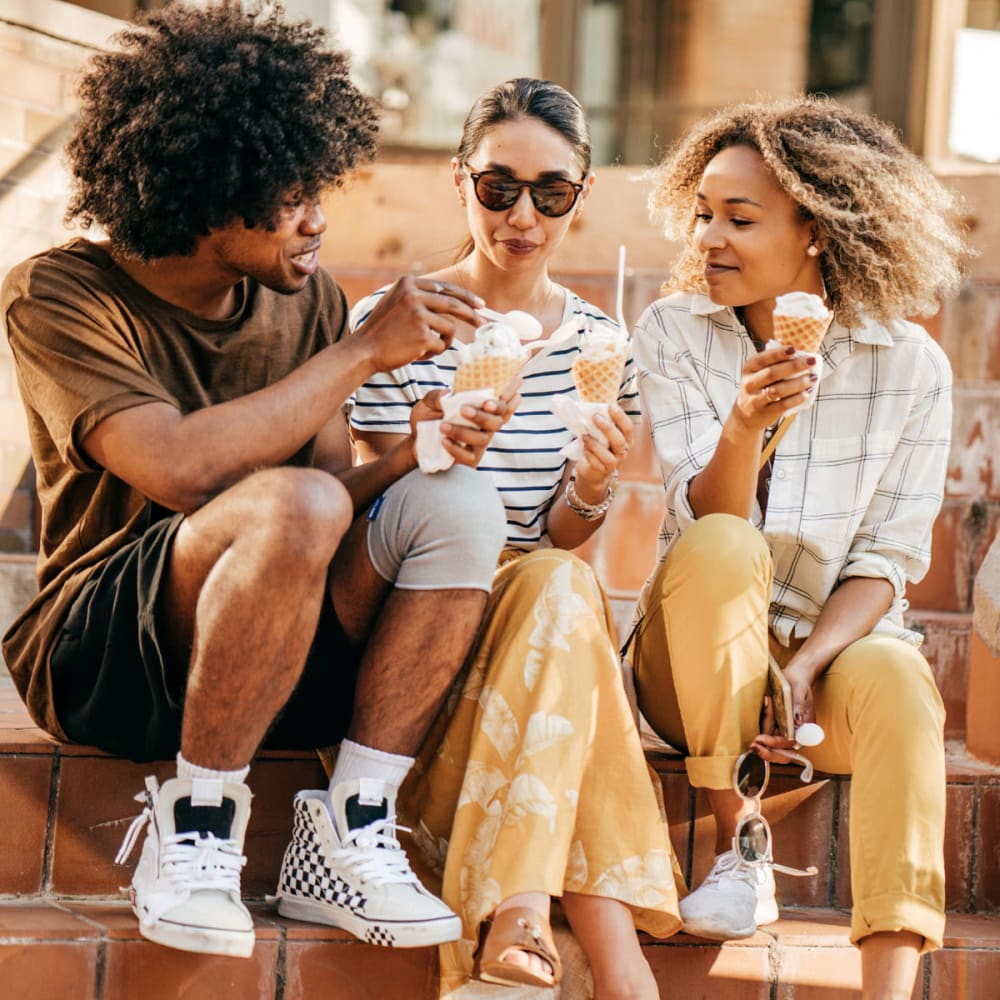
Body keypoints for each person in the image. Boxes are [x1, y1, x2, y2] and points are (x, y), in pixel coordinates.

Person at [1, 3, 511, 960]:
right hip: (104, 657)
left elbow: (328, 496)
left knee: (455, 503)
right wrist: (362, 352)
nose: (320, 219)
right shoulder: (60, 293)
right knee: (297, 502)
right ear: (207, 188)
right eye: (291, 195)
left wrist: (408, 455)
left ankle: (350, 825)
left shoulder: (306, 299)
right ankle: (197, 832)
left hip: (272, 648)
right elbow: (180, 469)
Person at [629, 95, 969, 1000]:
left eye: (740, 219)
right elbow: (702, 517)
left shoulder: (910, 366)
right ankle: (737, 846)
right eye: (703, 213)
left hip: (822, 660)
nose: (709, 238)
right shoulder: (674, 332)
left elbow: (888, 560)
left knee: (900, 677)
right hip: (690, 662)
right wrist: (746, 420)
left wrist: (814, 658)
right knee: (724, 547)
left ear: (816, 231)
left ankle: (892, 980)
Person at [349, 78, 681, 999]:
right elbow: (363, 518)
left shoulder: (599, 345)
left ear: (580, 196)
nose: (522, 215)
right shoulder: (393, 326)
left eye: (551, 192)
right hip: (420, 624)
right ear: (461, 184)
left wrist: (594, 483)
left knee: (562, 587)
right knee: (566, 599)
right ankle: (619, 967)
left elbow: (564, 539)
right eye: (499, 187)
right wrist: (426, 447)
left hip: (533, 610)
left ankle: (524, 922)